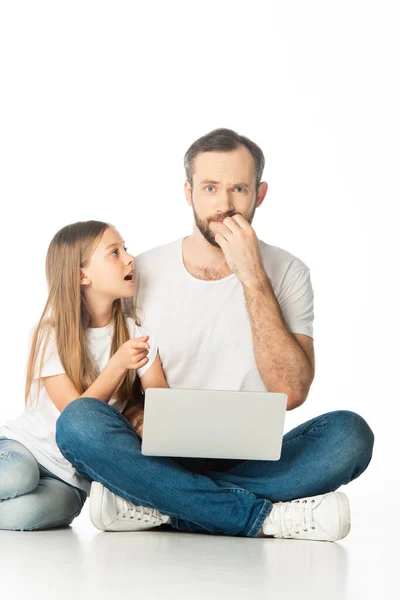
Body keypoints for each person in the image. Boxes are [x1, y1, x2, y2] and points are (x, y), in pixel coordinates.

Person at [56, 128, 374, 540]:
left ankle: (163, 505)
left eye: (238, 189)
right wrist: (137, 416)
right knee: (77, 422)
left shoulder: (289, 272)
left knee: (350, 435)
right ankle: (261, 516)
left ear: (259, 195)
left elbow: (292, 392)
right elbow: (124, 376)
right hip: (159, 457)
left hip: (253, 459)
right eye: (210, 188)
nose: (223, 206)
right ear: (188, 193)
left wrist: (252, 274)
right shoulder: (141, 272)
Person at [0, 220, 168, 530]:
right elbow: (75, 419)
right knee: (17, 476)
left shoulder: (138, 336)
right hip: (25, 451)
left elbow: (164, 409)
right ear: (81, 275)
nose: (131, 258)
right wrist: (117, 366)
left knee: (25, 515)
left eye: (126, 249)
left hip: (70, 480)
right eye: (114, 253)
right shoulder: (49, 336)